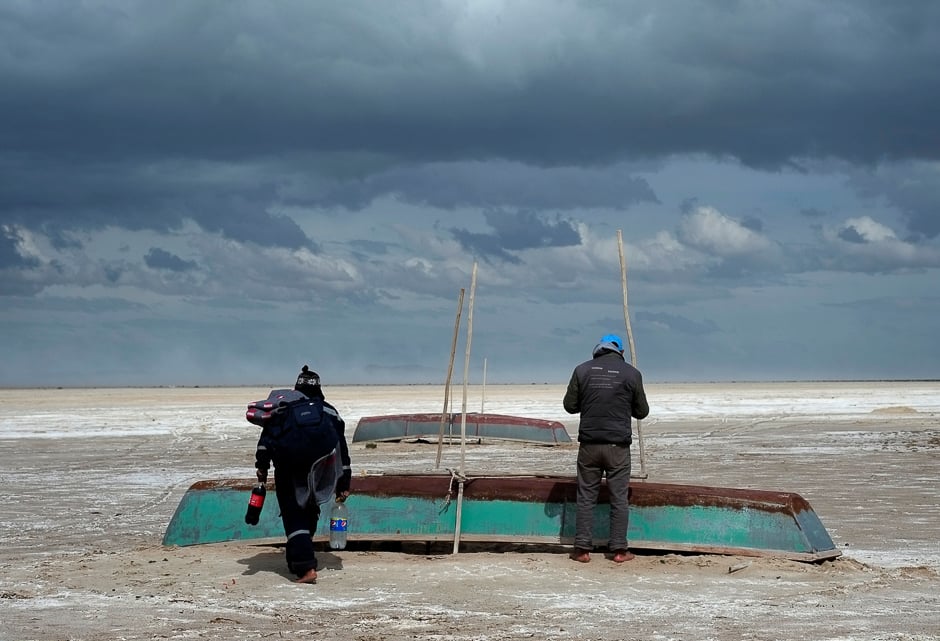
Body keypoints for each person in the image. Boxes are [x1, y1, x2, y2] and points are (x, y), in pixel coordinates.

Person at [253, 365, 352, 584]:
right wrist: (344, 479)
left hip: (288, 468)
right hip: (320, 470)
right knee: (309, 510)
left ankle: (305, 567)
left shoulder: (283, 408)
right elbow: (341, 447)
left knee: (293, 514)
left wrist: (262, 465)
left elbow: (266, 440)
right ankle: (297, 558)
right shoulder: (329, 411)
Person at [563, 334, 649, 564]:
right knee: (619, 498)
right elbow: (642, 411)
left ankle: (581, 550)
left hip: (590, 445)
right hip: (618, 447)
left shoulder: (582, 370)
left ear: (598, 350)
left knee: (586, 498)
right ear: (620, 352)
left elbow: (569, 406)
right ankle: (619, 550)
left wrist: (591, 401)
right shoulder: (631, 373)